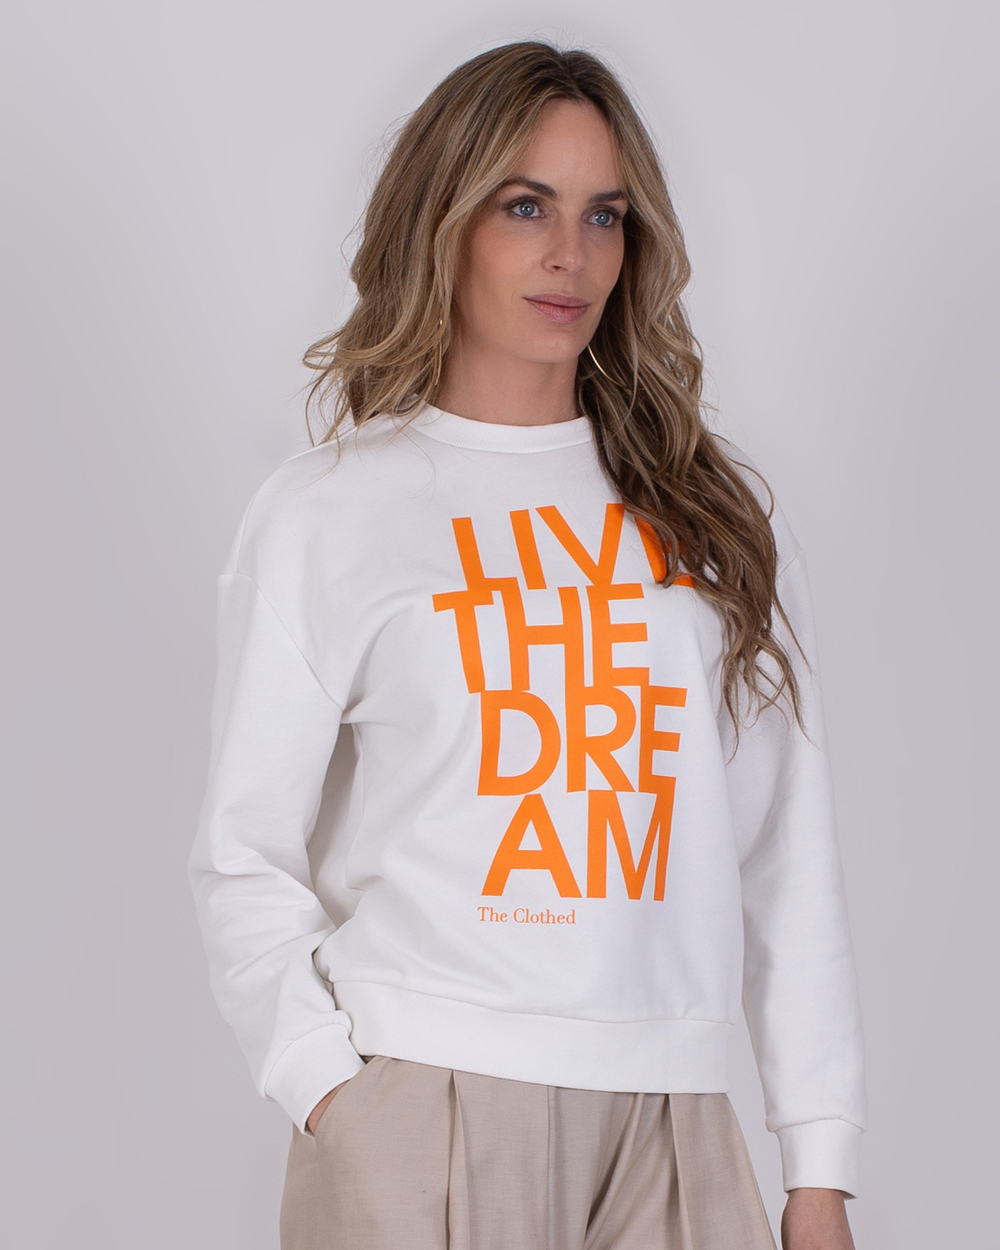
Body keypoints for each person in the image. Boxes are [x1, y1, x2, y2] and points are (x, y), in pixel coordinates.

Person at [189, 41, 865, 1250]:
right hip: (421, 1105)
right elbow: (242, 851)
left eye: (604, 214)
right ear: (441, 221)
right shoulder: (328, 514)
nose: (571, 254)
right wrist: (329, 1092)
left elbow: (786, 853)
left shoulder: (714, 520)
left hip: (674, 1116)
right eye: (524, 206)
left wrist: (818, 1164)